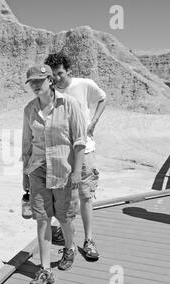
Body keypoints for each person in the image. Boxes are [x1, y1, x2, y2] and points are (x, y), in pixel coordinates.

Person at [22, 64, 87, 284]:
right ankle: (45, 269)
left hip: (64, 171)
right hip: (37, 170)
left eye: (39, 80)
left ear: (50, 80)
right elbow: (26, 143)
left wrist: (77, 172)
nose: (35, 85)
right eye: (31, 82)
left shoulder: (69, 104)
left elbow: (80, 141)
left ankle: (69, 249)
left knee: (66, 217)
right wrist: (25, 173)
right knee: (42, 219)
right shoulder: (29, 109)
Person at [45, 52, 107, 261]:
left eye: (60, 73)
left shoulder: (84, 84)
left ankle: (89, 240)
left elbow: (102, 98)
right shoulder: (50, 91)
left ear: (68, 70)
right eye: (52, 75)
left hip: (85, 150)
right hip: (63, 154)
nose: (56, 78)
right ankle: (66, 233)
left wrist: (93, 123)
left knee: (86, 195)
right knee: (65, 197)